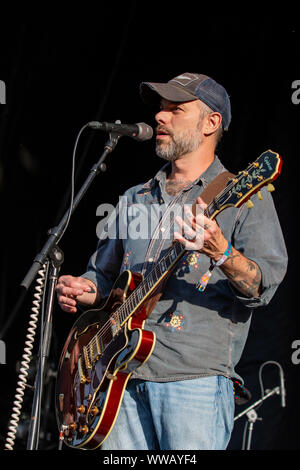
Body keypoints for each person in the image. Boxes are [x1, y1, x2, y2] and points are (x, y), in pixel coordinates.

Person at [55, 72, 288, 450]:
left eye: (176, 110)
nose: (160, 118)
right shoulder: (134, 198)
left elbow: (262, 287)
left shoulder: (246, 195)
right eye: (160, 110)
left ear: (211, 123)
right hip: (118, 378)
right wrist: (86, 288)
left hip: (192, 378)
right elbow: (103, 276)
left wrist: (222, 253)